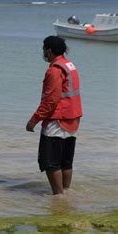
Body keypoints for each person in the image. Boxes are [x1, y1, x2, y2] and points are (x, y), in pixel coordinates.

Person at [26, 36, 82, 195]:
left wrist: (34, 120)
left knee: (50, 162)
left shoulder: (54, 69)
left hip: (57, 121)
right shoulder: (69, 65)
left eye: (44, 49)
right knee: (66, 161)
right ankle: (66, 193)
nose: (43, 52)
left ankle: (58, 197)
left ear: (48, 51)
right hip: (73, 119)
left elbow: (51, 100)